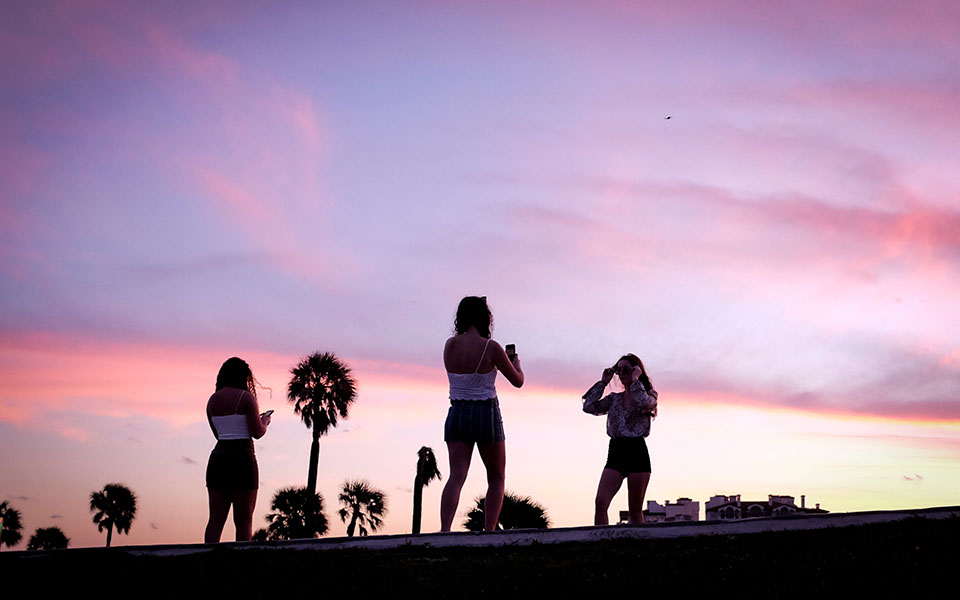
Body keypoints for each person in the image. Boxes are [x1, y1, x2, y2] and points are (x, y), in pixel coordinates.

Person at [440, 296, 524, 532]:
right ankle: (489, 531)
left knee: (456, 476)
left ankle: (445, 530)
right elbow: (517, 381)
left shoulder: (449, 345)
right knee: (496, 477)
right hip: (486, 412)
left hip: (457, 412)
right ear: (484, 317)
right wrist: (516, 363)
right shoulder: (491, 347)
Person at [583, 353, 658, 525]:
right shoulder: (614, 398)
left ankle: (636, 540)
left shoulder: (650, 395)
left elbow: (645, 403)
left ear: (636, 371)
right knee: (601, 502)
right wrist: (603, 383)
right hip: (616, 451)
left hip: (637, 451)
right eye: (619, 370)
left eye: (625, 369)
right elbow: (588, 406)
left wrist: (636, 380)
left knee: (635, 510)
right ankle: (602, 539)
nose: (621, 373)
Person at [204, 357, 271, 543]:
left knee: (215, 520)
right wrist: (264, 421)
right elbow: (257, 432)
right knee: (243, 521)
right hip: (242, 459)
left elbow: (218, 434)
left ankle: (207, 556)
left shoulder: (212, 401)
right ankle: (242, 558)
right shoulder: (246, 398)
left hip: (218, 460)